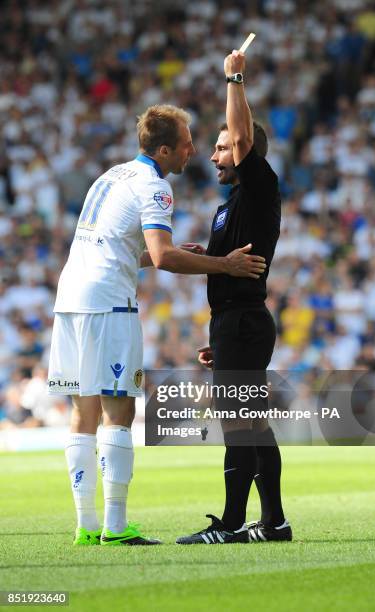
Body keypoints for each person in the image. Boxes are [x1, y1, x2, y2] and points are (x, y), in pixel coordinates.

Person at [47, 104, 266, 547]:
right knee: (119, 409)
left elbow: (131, 252)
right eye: (186, 142)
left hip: (70, 298)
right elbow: (165, 257)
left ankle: (86, 526)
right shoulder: (155, 187)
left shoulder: (111, 176)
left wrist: (167, 255)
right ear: (164, 149)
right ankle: (115, 526)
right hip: (110, 303)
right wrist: (222, 263)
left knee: (82, 411)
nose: (193, 150)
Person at [176, 52, 291, 545]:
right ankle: (274, 523)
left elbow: (243, 136)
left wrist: (234, 77)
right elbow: (226, 271)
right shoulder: (229, 208)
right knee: (253, 425)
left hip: (244, 321)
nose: (215, 155)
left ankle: (230, 524)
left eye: (222, 148)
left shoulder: (260, 186)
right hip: (233, 324)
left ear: (245, 152)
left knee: (239, 426)